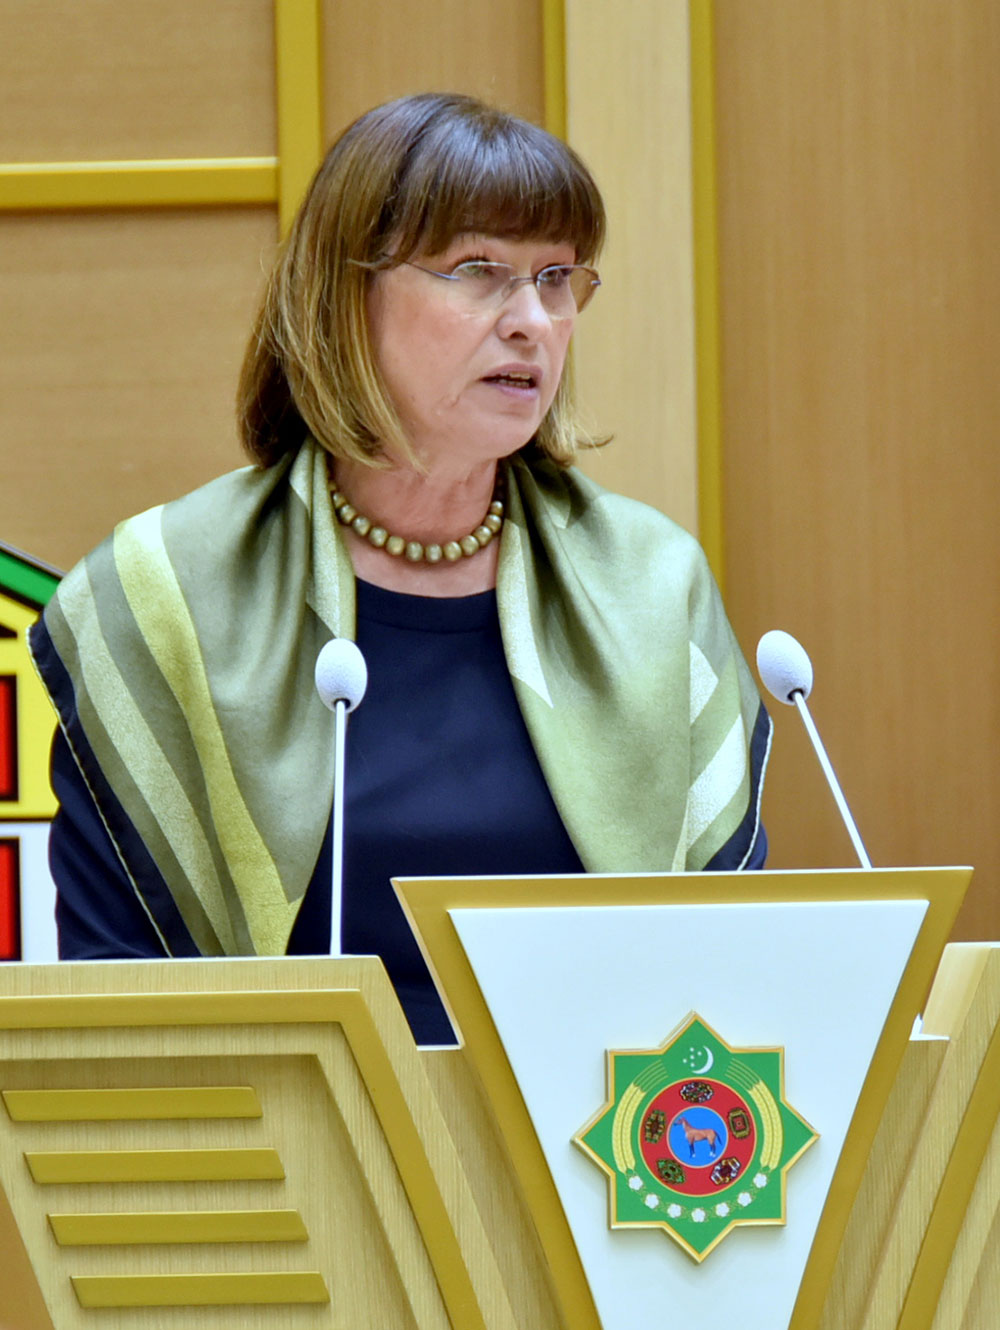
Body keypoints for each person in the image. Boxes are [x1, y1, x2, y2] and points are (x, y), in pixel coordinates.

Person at [30, 93, 771, 1045]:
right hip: (279, 1130)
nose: (533, 321)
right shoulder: (162, 592)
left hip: (598, 1134)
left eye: (556, 278)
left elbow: (735, 964)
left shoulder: (652, 584)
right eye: (479, 271)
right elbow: (114, 1001)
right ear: (347, 295)